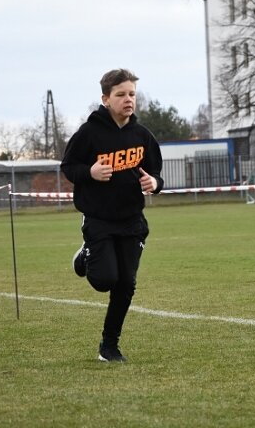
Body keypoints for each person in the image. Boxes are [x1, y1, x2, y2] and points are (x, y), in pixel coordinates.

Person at [61, 68, 164, 363]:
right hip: (99, 219)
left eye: (132, 94)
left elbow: (156, 173)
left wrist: (154, 184)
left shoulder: (142, 136)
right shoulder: (89, 133)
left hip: (132, 220)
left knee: (126, 284)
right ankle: (86, 255)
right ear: (106, 99)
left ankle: (109, 346)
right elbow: (68, 167)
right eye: (121, 95)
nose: (128, 100)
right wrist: (90, 172)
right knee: (104, 279)